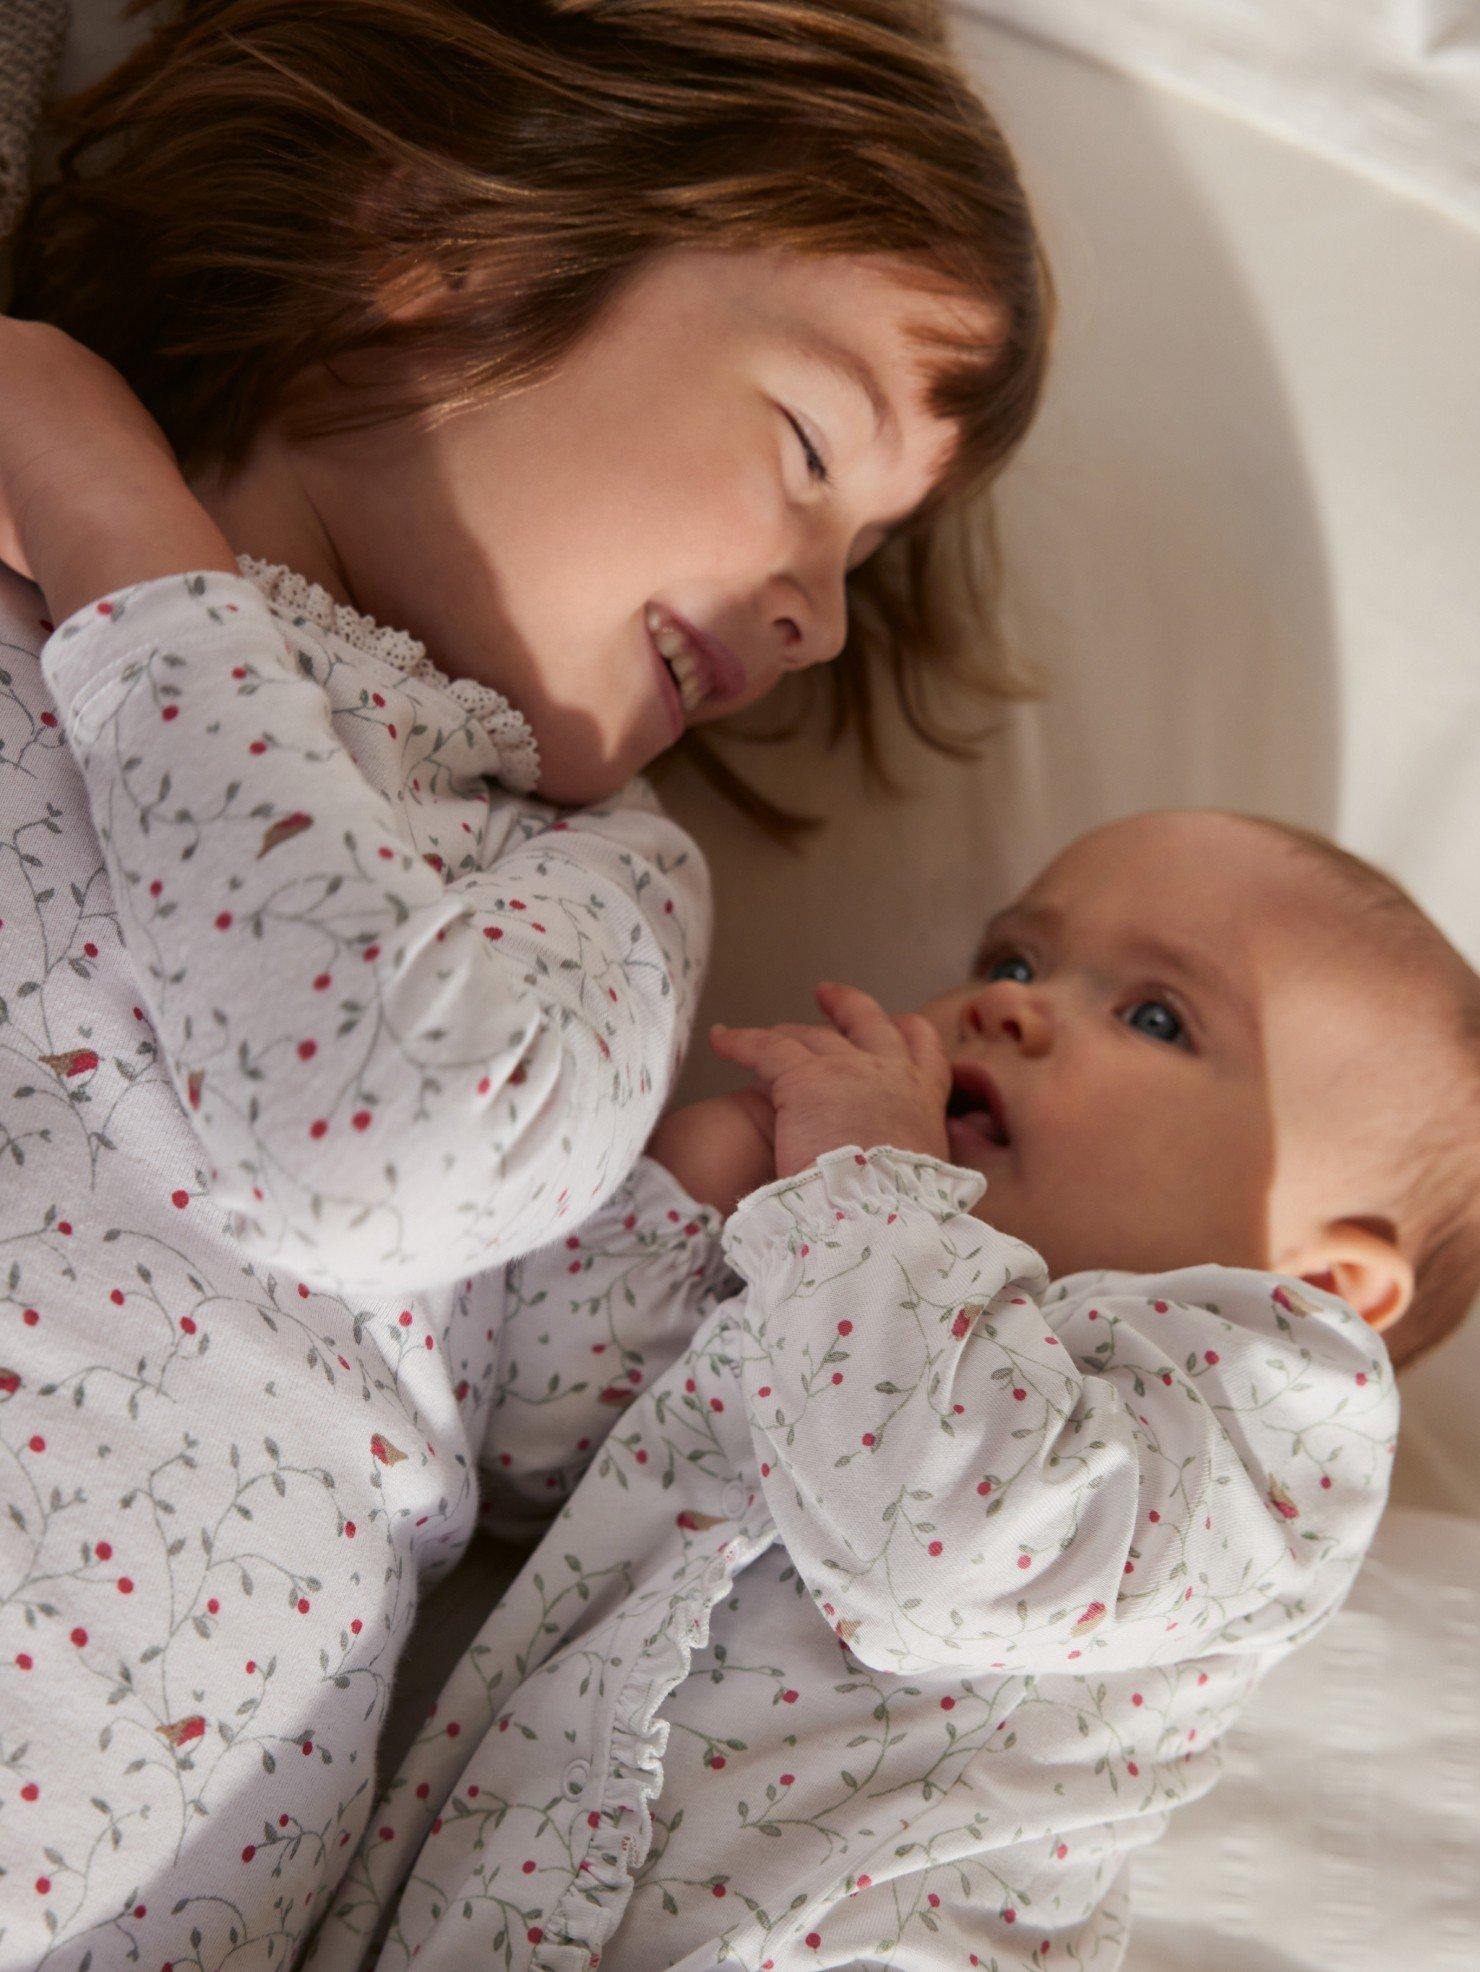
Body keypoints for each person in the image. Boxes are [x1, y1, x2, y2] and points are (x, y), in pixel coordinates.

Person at [0, 3, 1050, 1964]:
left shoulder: (575, 875)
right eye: (810, 450)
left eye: (865, 555)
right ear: (435, 239)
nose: (820, 609)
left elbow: (383, 1156)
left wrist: (124, 542)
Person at [319, 809, 1479, 1972]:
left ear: (1326, 1276)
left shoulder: (1276, 1400)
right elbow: (525, 1443)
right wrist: (708, 1170)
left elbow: (939, 1548)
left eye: (1156, 1016)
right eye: (1011, 959)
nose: (1006, 1005)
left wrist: (860, 1183)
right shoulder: (825, 1270)